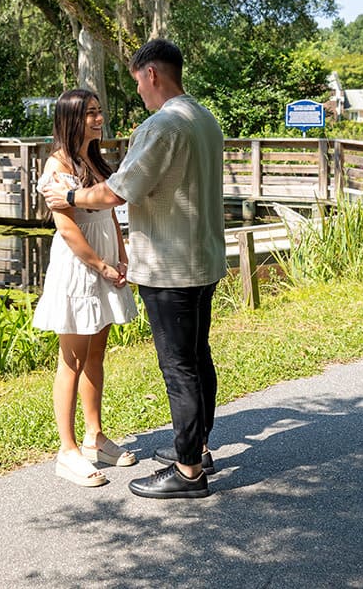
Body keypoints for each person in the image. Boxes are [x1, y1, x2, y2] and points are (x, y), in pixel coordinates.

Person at [43, 39, 226, 500]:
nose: (138, 94)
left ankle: (187, 472)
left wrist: (69, 198)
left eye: (137, 83)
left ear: (152, 76)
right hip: (203, 260)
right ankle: (197, 446)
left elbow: (116, 193)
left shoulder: (162, 126)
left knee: (179, 367)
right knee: (198, 357)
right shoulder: (206, 120)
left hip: (171, 266)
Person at [34, 89, 139, 487]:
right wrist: (100, 265)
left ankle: (95, 436)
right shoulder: (57, 166)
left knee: (97, 352)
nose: (98, 119)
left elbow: (109, 211)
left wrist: (122, 255)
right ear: (71, 119)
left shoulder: (92, 160)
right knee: (72, 360)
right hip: (80, 269)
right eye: (90, 114)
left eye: (99, 112)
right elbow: (67, 227)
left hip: (108, 264)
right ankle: (68, 450)